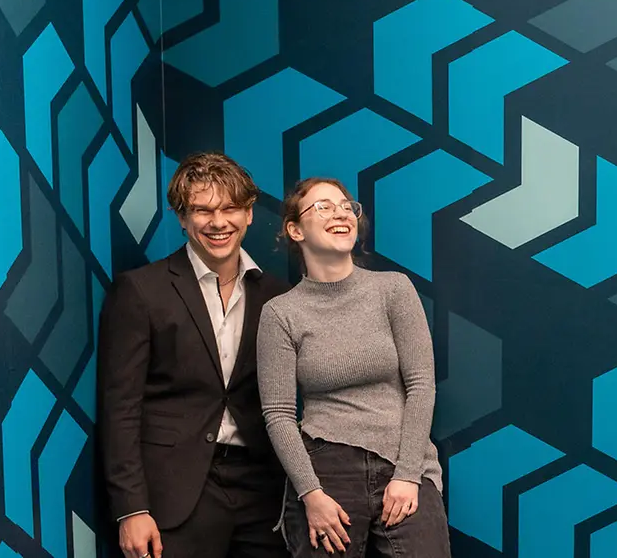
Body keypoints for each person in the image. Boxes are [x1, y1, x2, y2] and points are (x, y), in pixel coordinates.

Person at [98, 152, 294, 558]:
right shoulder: (140, 291)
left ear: (249, 214)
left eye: (229, 208)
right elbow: (120, 408)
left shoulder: (277, 297)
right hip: (175, 493)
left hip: (264, 491)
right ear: (182, 217)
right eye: (202, 210)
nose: (218, 222)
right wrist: (131, 508)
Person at [258, 178, 451, 557]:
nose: (341, 213)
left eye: (347, 205)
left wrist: (408, 475)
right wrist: (311, 494)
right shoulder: (280, 314)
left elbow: (421, 385)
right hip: (325, 471)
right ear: (295, 230)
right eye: (324, 207)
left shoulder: (393, 289)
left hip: (403, 463)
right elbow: (278, 414)